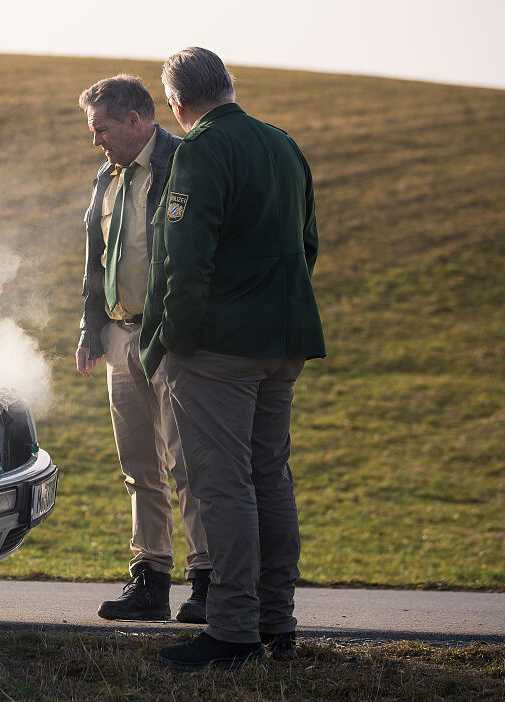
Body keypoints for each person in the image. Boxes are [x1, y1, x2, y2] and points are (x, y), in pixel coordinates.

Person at [140, 47, 326, 670]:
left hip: (218, 347)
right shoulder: (283, 144)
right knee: (271, 479)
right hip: (284, 339)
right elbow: (307, 243)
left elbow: (183, 260)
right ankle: (278, 621)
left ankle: (234, 629)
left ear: (175, 101)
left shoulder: (199, 150)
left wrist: (172, 340)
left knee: (223, 486)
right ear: (228, 85)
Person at [75, 74, 211, 624]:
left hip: (171, 340)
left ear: (136, 120)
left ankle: (207, 582)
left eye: (102, 129)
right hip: (117, 335)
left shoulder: (185, 164)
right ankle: (151, 580)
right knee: (138, 466)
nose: (96, 141)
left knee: (188, 462)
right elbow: (97, 261)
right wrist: (91, 330)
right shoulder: (106, 176)